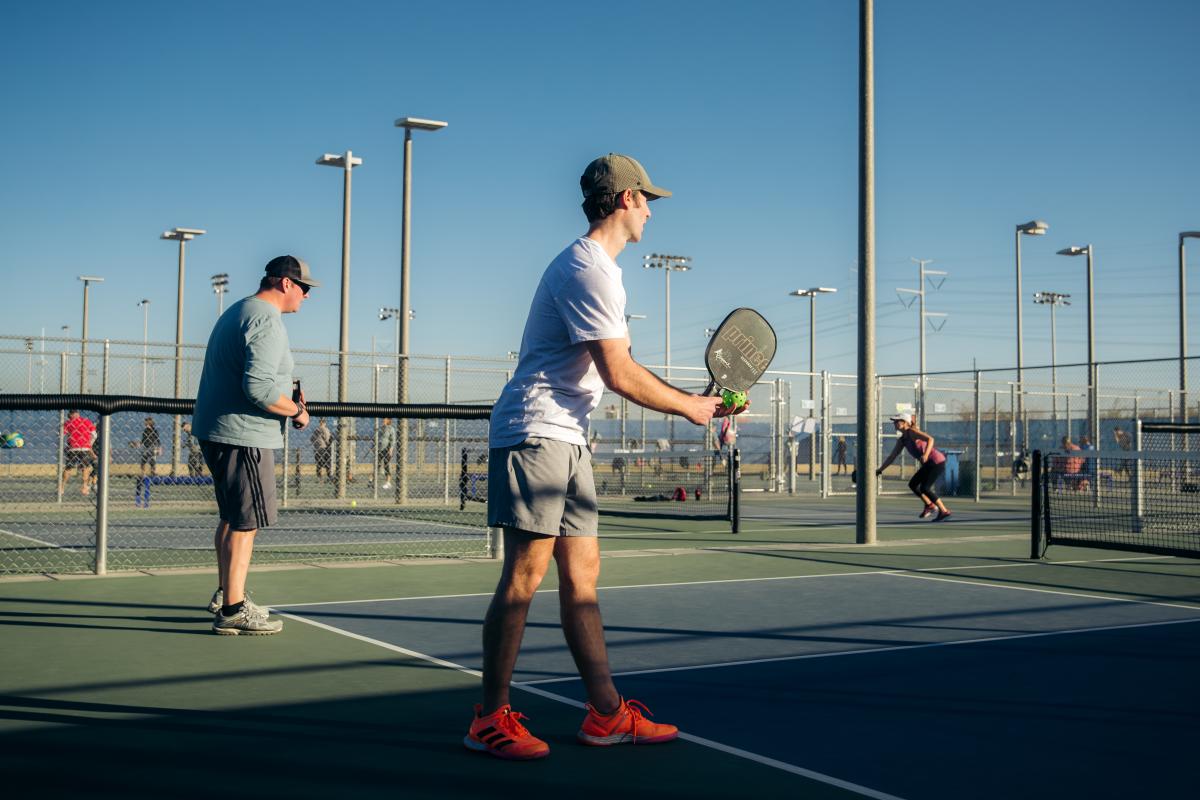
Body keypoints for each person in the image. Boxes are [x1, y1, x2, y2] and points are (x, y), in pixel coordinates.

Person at [465, 154, 746, 760]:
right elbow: (618, 373)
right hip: (536, 431)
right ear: (623, 200)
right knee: (525, 575)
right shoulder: (586, 270)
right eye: (647, 199)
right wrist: (689, 409)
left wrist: (696, 402)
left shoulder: (602, 272)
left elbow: (617, 369)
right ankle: (488, 718)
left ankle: (606, 715)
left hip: (569, 435)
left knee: (583, 578)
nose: (650, 210)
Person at [192, 255, 315, 635]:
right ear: (285, 283)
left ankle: (229, 594)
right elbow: (258, 388)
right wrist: (296, 410)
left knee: (231, 517)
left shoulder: (240, 310)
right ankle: (232, 610)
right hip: (242, 435)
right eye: (305, 288)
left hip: (220, 430)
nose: (307, 297)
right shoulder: (266, 321)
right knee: (245, 523)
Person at [877, 413, 952, 521]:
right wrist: (880, 470)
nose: (894, 423)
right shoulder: (902, 440)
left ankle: (944, 511)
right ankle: (930, 505)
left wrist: (925, 454)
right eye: (894, 421)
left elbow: (930, 439)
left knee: (925, 488)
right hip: (928, 464)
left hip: (937, 462)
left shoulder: (912, 432)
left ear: (905, 422)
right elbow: (892, 456)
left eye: (897, 421)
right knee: (913, 484)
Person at [59, 410, 96, 496]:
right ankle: (84, 487)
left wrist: (67, 444)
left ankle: (62, 487)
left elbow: (61, 435)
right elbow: (94, 434)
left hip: (73, 448)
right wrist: (89, 444)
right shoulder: (87, 421)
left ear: (71, 414)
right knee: (86, 468)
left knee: (68, 468)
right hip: (85, 448)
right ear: (78, 414)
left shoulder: (68, 423)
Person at [376, 417, 396, 490]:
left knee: (386, 466)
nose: (383, 420)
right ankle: (372, 481)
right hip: (380, 449)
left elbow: (393, 440)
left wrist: (390, 449)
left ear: (388, 420)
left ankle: (388, 482)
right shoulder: (380, 428)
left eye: (385, 419)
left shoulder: (391, 429)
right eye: (383, 419)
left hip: (387, 449)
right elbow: (377, 438)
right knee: (376, 465)